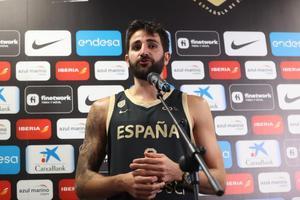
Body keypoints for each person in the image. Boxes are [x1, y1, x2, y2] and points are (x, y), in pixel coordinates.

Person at [75, 19, 226, 200]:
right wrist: (122, 182)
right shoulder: (103, 108)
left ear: (167, 57)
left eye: (152, 45)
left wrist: (178, 173)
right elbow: (82, 183)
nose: (143, 51)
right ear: (127, 59)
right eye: (136, 46)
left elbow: (219, 181)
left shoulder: (195, 105)